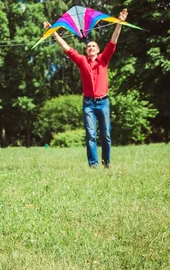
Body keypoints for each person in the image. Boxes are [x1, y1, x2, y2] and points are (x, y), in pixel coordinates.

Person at [43, 9, 128, 168]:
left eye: (93, 46)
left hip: (103, 103)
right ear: (86, 50)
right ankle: (94, 165)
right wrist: (53, 33)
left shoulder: (104, 59)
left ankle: (107, 163)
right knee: (91, 136)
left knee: (106, 136)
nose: (91, 47)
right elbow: (66, 48)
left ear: (98, 49)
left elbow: (113, 41)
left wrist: (120, 23)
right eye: (88, 46)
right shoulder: (82, 61)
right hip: (88, 104)